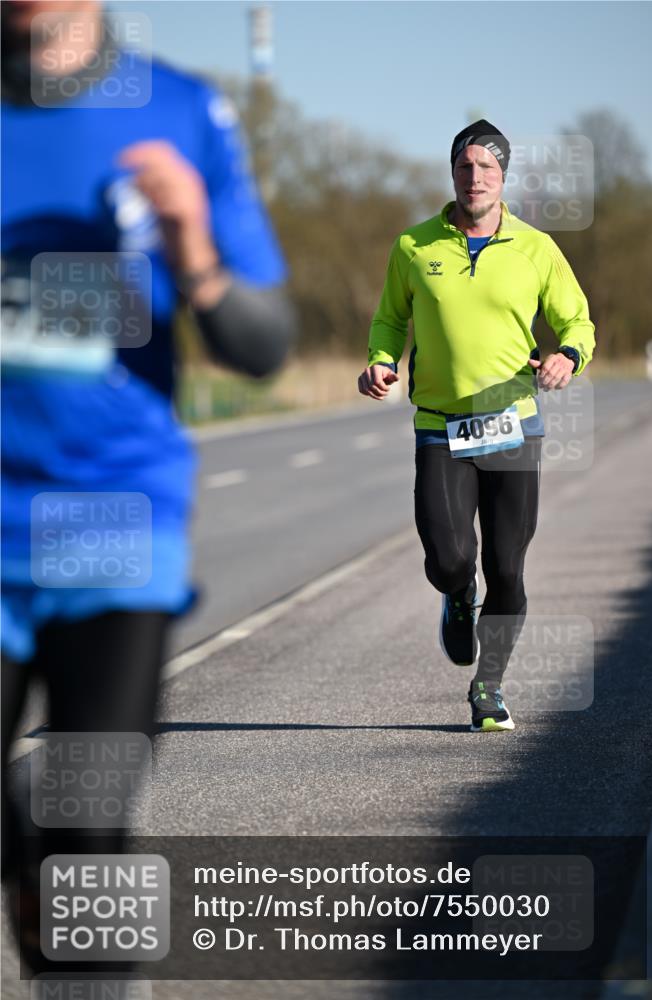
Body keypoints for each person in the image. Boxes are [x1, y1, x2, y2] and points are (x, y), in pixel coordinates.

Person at [1, 0, 295, 970]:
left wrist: (193, 253)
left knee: (86, 835)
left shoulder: (179, 113)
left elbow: (262, 346)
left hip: (113, 518)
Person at [358, 119, 595, 733]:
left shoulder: (537, 248)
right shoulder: (414, 247)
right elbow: (388, 321)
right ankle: (456, 595)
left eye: (487, 167)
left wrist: (568, 356)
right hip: (440, 427)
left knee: (509, 569)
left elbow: (578, 323)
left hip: (514, 425)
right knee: (449, 559)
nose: (475, 177)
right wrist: (381, 362)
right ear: (452, 173)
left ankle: (488, 688)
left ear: (503, 176)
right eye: (465, 167)